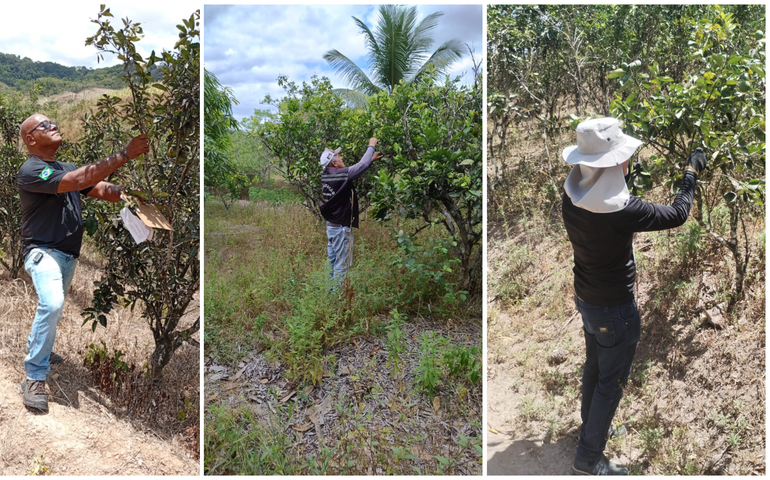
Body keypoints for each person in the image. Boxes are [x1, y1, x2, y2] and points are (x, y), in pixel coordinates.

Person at [561, 117, 706, 475]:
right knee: (610, 383)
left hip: (587, 300)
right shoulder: (623, 210)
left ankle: (592, 431)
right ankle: (588, 458)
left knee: (595, 368)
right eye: (624, 158)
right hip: (615, 312)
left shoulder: (570, 196)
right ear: (614, 164)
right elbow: (677, 214)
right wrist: (690, 172)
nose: (628, 163)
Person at [17, 113, 149, 413]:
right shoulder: (31, 169)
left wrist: (129, 196)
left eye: (54, 122)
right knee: (52, 304)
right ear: (31, 139)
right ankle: (34, 377)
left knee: (54, 306)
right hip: (43, 252)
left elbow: (99, 188)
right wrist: (124, 154)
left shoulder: (64, 167)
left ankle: (41, 348)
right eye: (45, 125)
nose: (54, 126)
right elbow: (79, 180)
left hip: (68, 256)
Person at [319, 138, 383, 288]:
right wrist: (371, 145)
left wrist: (370, 160)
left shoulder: (327, 175)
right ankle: (338, 300)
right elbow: (361, 165)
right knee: (342, 265)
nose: (342, 158)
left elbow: (359, 168)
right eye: (339, 157)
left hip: (331, 227)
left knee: (333, 263)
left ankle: (330, 294)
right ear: (334, 163)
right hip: (340, 229)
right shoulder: (339, 175)